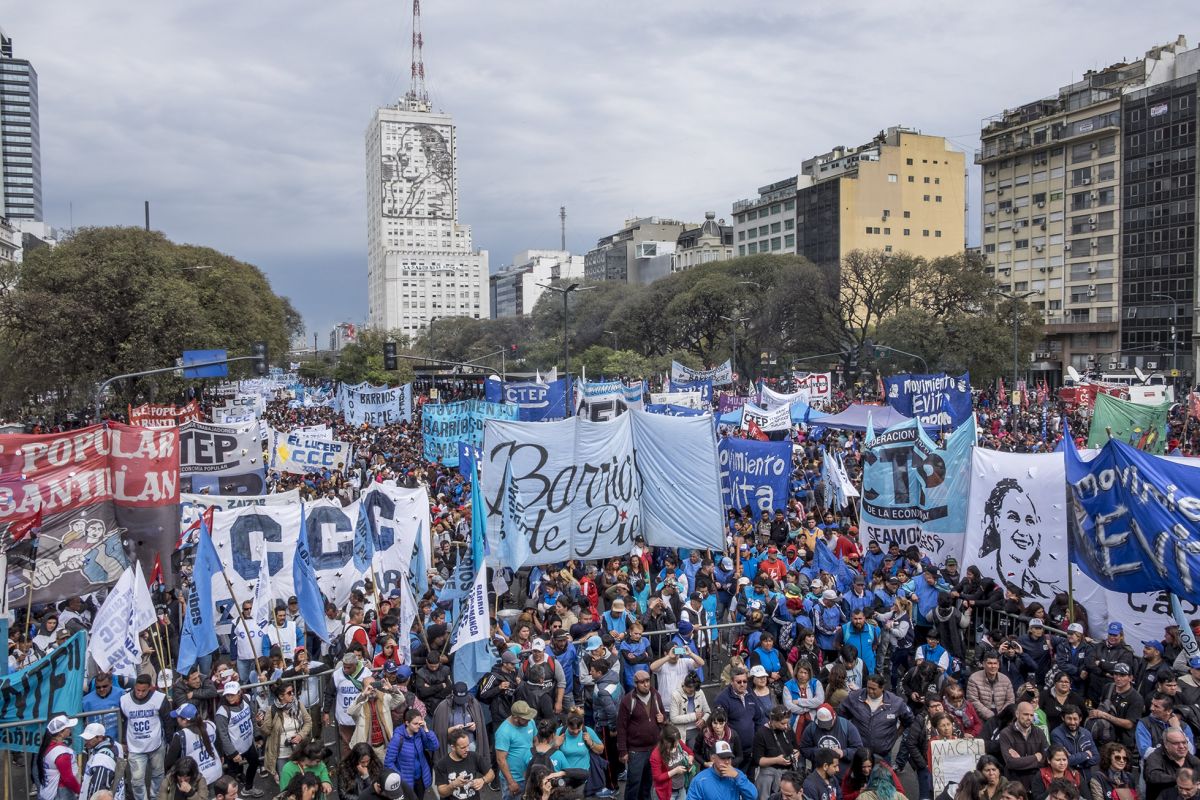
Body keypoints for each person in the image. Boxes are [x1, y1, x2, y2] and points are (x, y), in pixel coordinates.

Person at [839, 674, 913, 763]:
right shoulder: (855, 697)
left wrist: (896, 735)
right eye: (868, 687)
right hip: (859, 753)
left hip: (883, 754)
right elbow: (841, 714)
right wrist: (848, 733)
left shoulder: (896, 702)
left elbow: (909, 719)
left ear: (882, 688)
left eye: (873, 689)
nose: (870, 691)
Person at [619, 668, 669, 800]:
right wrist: (623, 751)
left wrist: (662, 719)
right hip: (636, 750)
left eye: (648, 681)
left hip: (654, 748)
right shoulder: (628, 700)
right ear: (635, 684)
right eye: (642, 682)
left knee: (648, 783)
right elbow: (621, 728)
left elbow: (664, 717)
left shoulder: (656, 695)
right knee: (634, 784)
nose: (646, 684)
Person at [120, 674, 172, 800]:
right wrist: (123, 742)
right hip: (135, 747)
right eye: (137, 690)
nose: (140, 693)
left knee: (158, 775)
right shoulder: (124, 700)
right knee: (137, 780)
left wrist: (169, 741)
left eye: (143, 690)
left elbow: (168, 721)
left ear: (150, 688)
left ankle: (156, 798)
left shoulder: (160, 698)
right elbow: (124, 721)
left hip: (156, 744)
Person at [214, 682, 263, 798]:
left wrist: (257, 736)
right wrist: (233, 753)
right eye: (227, 695)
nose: (230, 697)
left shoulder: (246, 699)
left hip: (248, 743)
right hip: (234, 748)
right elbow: (223, 735)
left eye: (233, 695)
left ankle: (249, 787)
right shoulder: (222, 712)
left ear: (240, 692)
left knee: (254, 762)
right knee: (231, 777)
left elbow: (252, 718)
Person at [712, 668, 765, 774]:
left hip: (751, 748)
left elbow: (758, 718)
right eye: (739, 682)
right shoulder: (722, 699)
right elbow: (720, 725)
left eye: (745, 681)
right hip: (733, 751)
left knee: (749, 779)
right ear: (732, 682)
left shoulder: (750, 694)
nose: (742, 684)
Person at [262, 681, 312, 783]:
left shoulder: (298, 705)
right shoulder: (272, 710)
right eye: (289, 693)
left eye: (292, 692)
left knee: (302, 778)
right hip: (281, 753)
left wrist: (300, 736)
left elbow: (308, 722)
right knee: (285, 781)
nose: (292, 695)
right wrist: (260, 723)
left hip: (298, 749)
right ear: (281, 696)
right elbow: (266, 732)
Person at [384, 708, 439, 799]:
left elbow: (434, 746)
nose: (418, 726)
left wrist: (426, 729)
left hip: (421, 778)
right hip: (406, 781)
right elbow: (388, 762)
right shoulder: (398, 738)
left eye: (419, 723)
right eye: (415, 724)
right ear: (407, 723)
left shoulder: (420, 732)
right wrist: (400, 777)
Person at [164, 703, 223, 787]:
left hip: (197, 780)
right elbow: (219, 747)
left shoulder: (181, 736)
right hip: (216, 773)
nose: (177, 719)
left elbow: (169, 762)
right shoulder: (210, 725)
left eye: (178, 717)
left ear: (184, 720)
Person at [431, 682, 490, 763]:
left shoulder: (473, 703)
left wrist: (475, 726)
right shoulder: (443, 707)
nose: (461, 702)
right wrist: (453, 729)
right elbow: (438, 733)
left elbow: (480, 727)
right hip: (451, 747)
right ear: (452, 694)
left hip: (470, 745)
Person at [1000, 703, 1051, 794]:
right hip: (1014, 783)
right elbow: (1011, 763)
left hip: (1036, 782)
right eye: (1025, 714)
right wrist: (1035, 757)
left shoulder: (1039, 732)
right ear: (1017, 714)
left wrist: (1021, 761)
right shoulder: (1006, 734)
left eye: (1031, 715)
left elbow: (1045, 759)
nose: (1029, 718)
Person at [350, 671, 401, 761]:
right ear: (363, 688)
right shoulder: (360, 700)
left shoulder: (384, 697)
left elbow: (400, 700)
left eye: (373, 685)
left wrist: (391, 689)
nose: (372, 689)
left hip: (382, 747)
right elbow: (351, 712)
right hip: (365, 748)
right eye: (369, 686)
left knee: (383, 771)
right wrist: (363, 695)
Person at [684, 739, 756, 800]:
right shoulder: (700, 780)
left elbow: (753, 796)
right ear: (713, 758)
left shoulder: (736, 774)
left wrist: (738, 777)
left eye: (729, 757)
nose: (727, 761)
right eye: (723, 758)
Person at [496, 701, 539, 800]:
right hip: (514, 779)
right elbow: (501, 760)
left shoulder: (530, 721)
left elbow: (535, 740)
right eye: (525, 719)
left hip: (529, 776)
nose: (529, 720)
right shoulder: (504, 732)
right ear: (515, 718)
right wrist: (511, 782)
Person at [435, 729, 494, 800]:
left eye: (468, 746)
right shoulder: (442, 764)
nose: (467, 750)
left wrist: (483, 780)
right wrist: (453, 785)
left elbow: (491, 774)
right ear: (453, 747)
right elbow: (442, 793)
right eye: (463, 747)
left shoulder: (474, 757)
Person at [754, 706, 799, 796]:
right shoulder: (761, 733)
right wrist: (776, 760)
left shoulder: (788, 729)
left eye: (787, 723)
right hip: (768, 773)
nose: (786, 726)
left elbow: (796, 748)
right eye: (782, 723)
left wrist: (796, 754)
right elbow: (758, 760)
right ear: (773, 721)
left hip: (788, 773)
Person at [1144, 729, 1200, 800]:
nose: (1182, 746)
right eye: (1176, 743)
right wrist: (1181, 779)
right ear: (1166, 745)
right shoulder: (1155, 757)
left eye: (1184, 742)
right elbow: (1153, 776)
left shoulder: (1193, 759)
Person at [37, 715, 81, 800]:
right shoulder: (61, 754)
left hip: (47, 791)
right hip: (61, 793)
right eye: (68, 727)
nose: (70, 728)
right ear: (61, 732)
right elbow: (68, 778)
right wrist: (80, 791)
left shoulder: (46, 746)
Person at [1050, 705, 1098, 781]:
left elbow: (1096, 757)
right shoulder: (1056, 734)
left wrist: (1077, 763)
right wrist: (1086, 755)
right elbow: (1064, 761)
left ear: (1080, 719)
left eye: (1075, 719)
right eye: (1069, 718)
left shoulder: (1086, 733)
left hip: (1087, 778)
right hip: (1068, 779)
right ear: (1063, 718)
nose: (1072, 722)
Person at [80, 721, 126, 800]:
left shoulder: (102, 760)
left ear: (100, 737)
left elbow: (98, 791)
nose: (86, 742)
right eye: (85, 739)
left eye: (89, 739)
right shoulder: (115, 745)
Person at [649, 724, 694, 800]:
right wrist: (675, 771)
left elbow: (690, 752)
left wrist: (690, 760)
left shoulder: (677, 742)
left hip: (681, 788)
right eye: (674, 743)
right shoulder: (656, 754)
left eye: (677, 741)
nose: (677, 744)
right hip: (666, 792)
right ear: (665, 741)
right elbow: (657, 777)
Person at [968, 654, 1015, 723]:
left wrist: (1002, 715)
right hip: (981, 718)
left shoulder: (1005, 679)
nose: (993, 666)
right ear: (983, 664)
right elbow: (973, 701)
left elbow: (1010, 700)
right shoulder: (974, 679)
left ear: (998, 665)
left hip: (1002, 717)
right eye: (989, 663)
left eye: (995, 663)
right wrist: (992, 716)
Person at [669, 673, 710, 749]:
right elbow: (673, 718)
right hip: (679, 731)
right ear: (684, 684)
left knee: (695, 755)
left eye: (694, 690)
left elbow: (708, 712)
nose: (692, 692)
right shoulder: (675, 695)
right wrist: (694, 716)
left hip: (695, 730)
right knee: (681, 756)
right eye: (690, 690)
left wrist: (703, 720)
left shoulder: (700, 692)